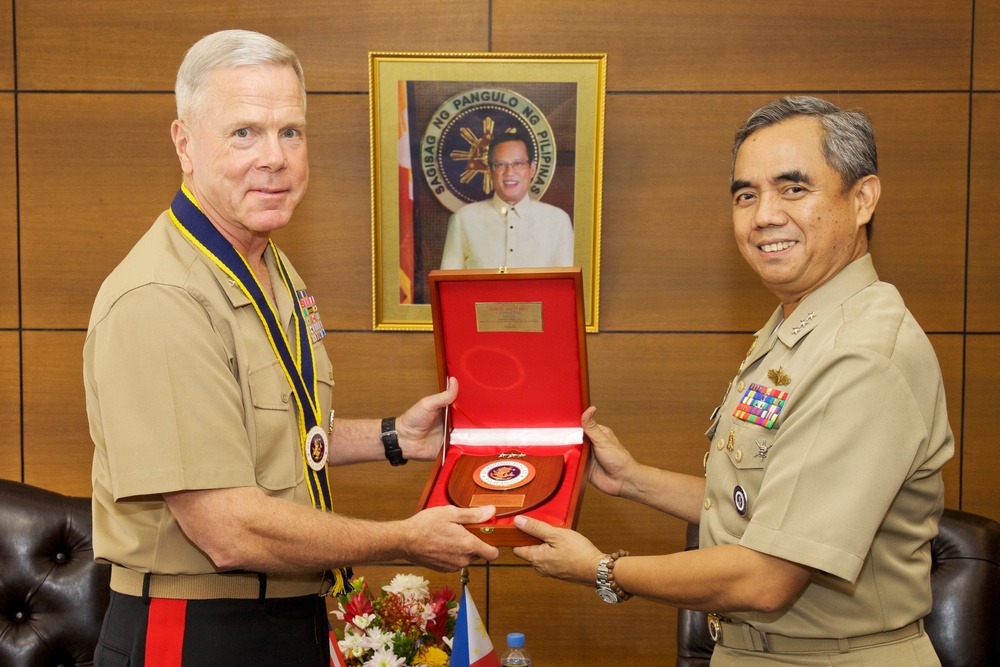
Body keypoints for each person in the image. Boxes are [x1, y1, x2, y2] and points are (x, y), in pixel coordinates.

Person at [83, 29, 498, 666]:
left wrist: (394, 438)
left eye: (291, 132)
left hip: (286, 616)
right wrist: (403, 541)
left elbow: (274, 437)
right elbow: (227, 526)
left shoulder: (266, 262)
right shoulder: (162, 296)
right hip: (197, 631)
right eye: (244, 132)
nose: (274, 157)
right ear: (185, 144)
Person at [513, 96, 953, 666]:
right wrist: (633, 481)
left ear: (862, 199)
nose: (764, 214)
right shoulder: (798, 325)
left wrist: (600, 569)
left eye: (793, 189)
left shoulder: (861, 355)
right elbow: (757, 511)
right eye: (746, 195)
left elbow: (766, 575)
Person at [440, 132, 575, 269]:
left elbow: (566, 286)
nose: (509, 172)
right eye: (500, 165)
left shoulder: (558, 221)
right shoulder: (463, 219)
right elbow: (449, 285)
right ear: (490, 170)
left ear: (532, 169)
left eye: (518, 164)